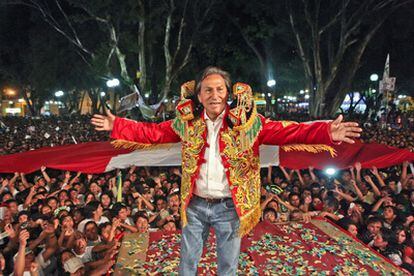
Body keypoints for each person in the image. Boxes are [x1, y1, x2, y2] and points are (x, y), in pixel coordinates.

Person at [91, 66, 362, 275]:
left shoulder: (248, 124)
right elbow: (150, 132)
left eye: (220, 89)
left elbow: (289, 131)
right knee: (187, 265)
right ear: (199, 95)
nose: (214, 95)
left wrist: (327, 130)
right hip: (195, 206)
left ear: (228, 93)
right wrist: (117, 125)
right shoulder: (187, 124)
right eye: (208, 90)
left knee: (227, 267)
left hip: (230, 207)